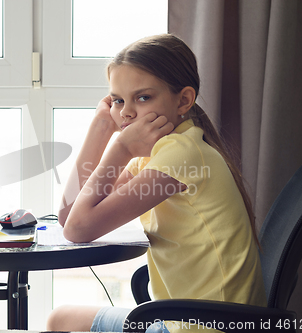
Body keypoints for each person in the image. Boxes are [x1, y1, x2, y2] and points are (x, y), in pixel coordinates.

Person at [46, 34, 266, 333]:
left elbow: (77, 229)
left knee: (61, 321)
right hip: (183, 319)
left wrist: (119, 148)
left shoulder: (181, 154)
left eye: (143, 97)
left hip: (202, 327)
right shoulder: (155, 154)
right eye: (118, 101)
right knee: (61, 319)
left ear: (184, 100)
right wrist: (100, 128)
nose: (126, 112)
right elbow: (68, 215)